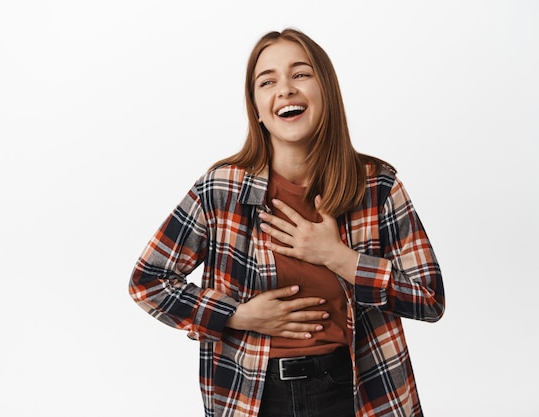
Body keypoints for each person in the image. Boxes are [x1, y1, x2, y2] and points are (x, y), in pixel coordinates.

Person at [129, 28, 444, 417]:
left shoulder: (377, 185)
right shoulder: (220, 189)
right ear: (257, 109)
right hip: (251, 396)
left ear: (325, 90)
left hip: (357, 391)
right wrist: (239, 314)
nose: (285, 89)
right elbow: (148, 282)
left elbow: (430, 299)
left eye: (300, 74)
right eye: (268, 81)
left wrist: (338, 256)